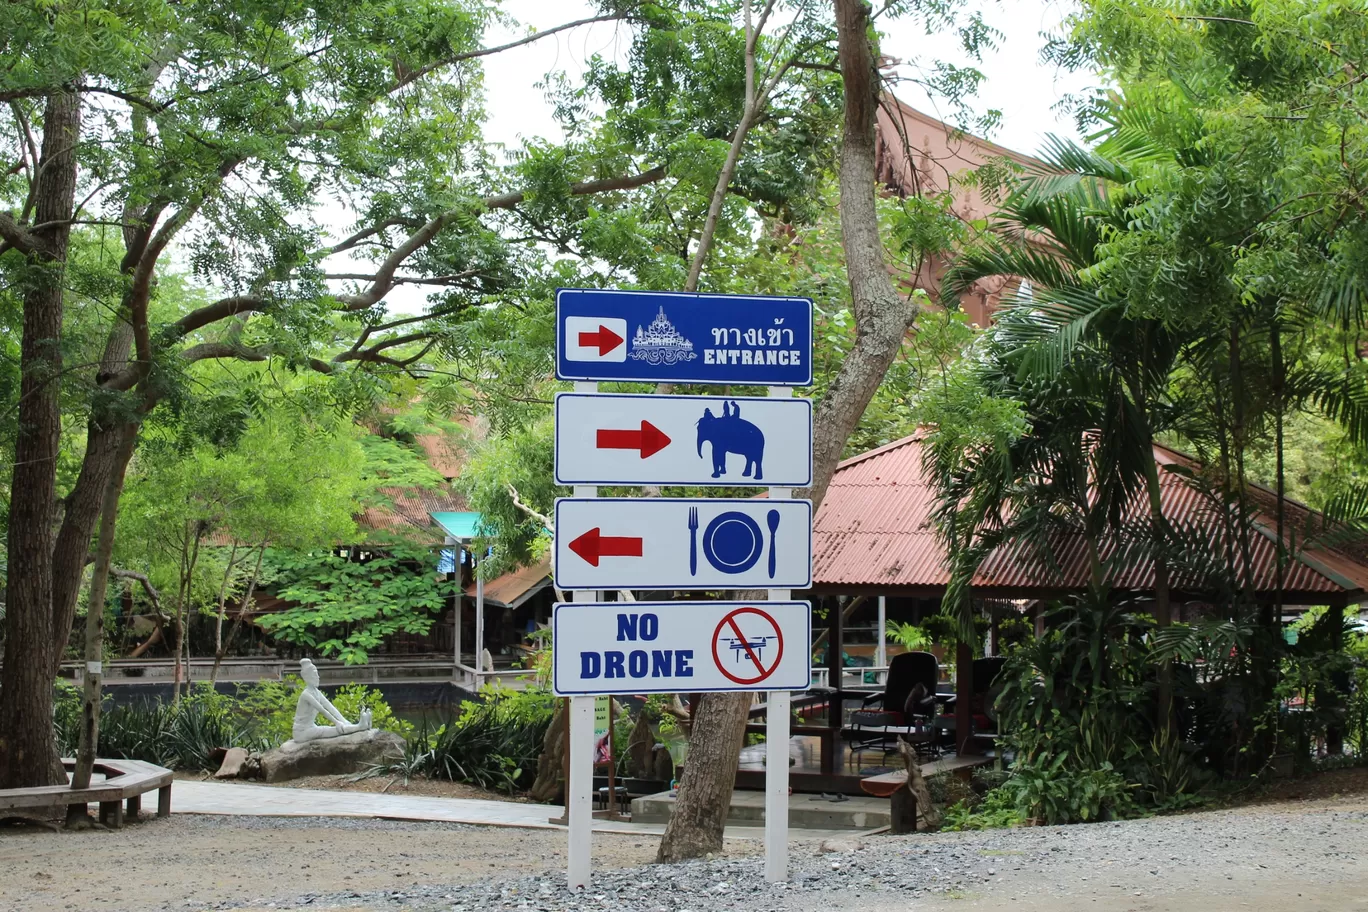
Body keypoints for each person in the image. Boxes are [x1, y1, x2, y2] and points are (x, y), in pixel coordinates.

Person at [292, 658, 372, 742]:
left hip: (311, 727)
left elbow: (329, 707)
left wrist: (344, 721)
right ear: (306, 678)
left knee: (333, 728)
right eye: (314, 675)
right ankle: (359, 727)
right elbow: (322, 709)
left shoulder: (316, 692)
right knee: (331, 730)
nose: (318, 677)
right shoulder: (306, 695)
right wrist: (336, 722)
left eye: (317, 674)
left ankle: (361, 726)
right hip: (301, 732)